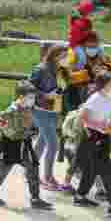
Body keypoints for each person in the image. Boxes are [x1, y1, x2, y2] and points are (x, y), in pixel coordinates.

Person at [73, 73, 111, 219]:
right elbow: (82, 118)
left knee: (91, 170)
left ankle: (80, 197)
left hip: (103, 136)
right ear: (103, 86)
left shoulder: (109, 96)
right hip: (93, 137)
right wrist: (101, 126)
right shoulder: (95, 99)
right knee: (108, 169)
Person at [0, 82, 54, 210]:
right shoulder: (13, 109)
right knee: (4, 167)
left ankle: (35, 198)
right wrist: (4, 128)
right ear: (21, 97)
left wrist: (50, 111)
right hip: (11, 143)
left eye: (33, 97)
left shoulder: (28, 107)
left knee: (33, 166)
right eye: (30, 97)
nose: (32, 100)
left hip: (24, 142)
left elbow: (37, 111)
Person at [30, 46, 64, 192]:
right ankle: (48, 177)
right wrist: (46, 95)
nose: (65, 59)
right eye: (62, 56)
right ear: (54, 56)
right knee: (53, 144)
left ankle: (30, 172)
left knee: (42, 141)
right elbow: (29, 88)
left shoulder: (60, 70)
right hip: (40, 110)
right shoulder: (40, 69)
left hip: (54, 109)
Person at [68, 0, 102, 70]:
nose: (94, 15)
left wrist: (93, 36)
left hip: (84, 43)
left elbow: (89, 33)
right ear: (86, 13)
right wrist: (88, 33)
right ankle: (77, 69)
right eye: (91, 13)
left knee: (100, 49)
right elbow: (77, 38)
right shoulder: (77, 23)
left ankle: (97, 66)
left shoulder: (88, 22)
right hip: (76, 45)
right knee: (82, 57)